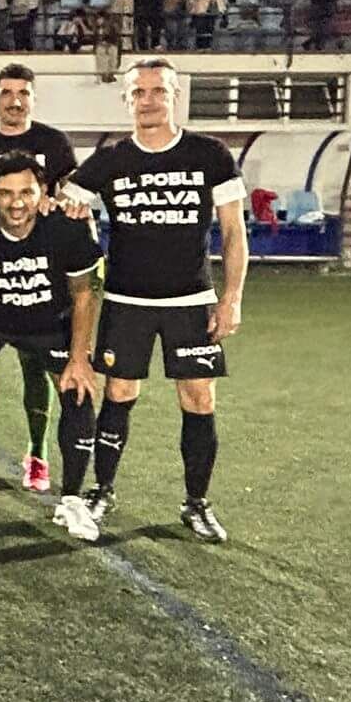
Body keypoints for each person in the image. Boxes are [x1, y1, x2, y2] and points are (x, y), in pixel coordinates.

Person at [62, 58, 248, 543]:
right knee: (119, 394)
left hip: (191, 300)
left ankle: (197, 503)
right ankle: (102, 491)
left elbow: (233, 233)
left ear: (174, 96)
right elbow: (66, 201)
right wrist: (75, 207)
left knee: (199, 397)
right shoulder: (111, 159)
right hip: (127, 300)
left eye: (157, 91)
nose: (148, 100)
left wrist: (231, 298)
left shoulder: (210, 154)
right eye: (139, 92)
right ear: (127, 100)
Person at [0, 153, 104, 537]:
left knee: (77, 391)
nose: (16, 202)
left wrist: (79, 357)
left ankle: (73, 501)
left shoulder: (64, 227)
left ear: (43, 191)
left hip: (49, 321)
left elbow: (84, 293)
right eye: (5, 193)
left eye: (26, 192)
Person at [0, 64, 80, 491]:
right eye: (6, 91)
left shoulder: (53, 143)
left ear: (33, 98)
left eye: (23, 92)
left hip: (39, 272)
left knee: (36, 370)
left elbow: (72, 194)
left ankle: (37, 454)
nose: (15, 100)